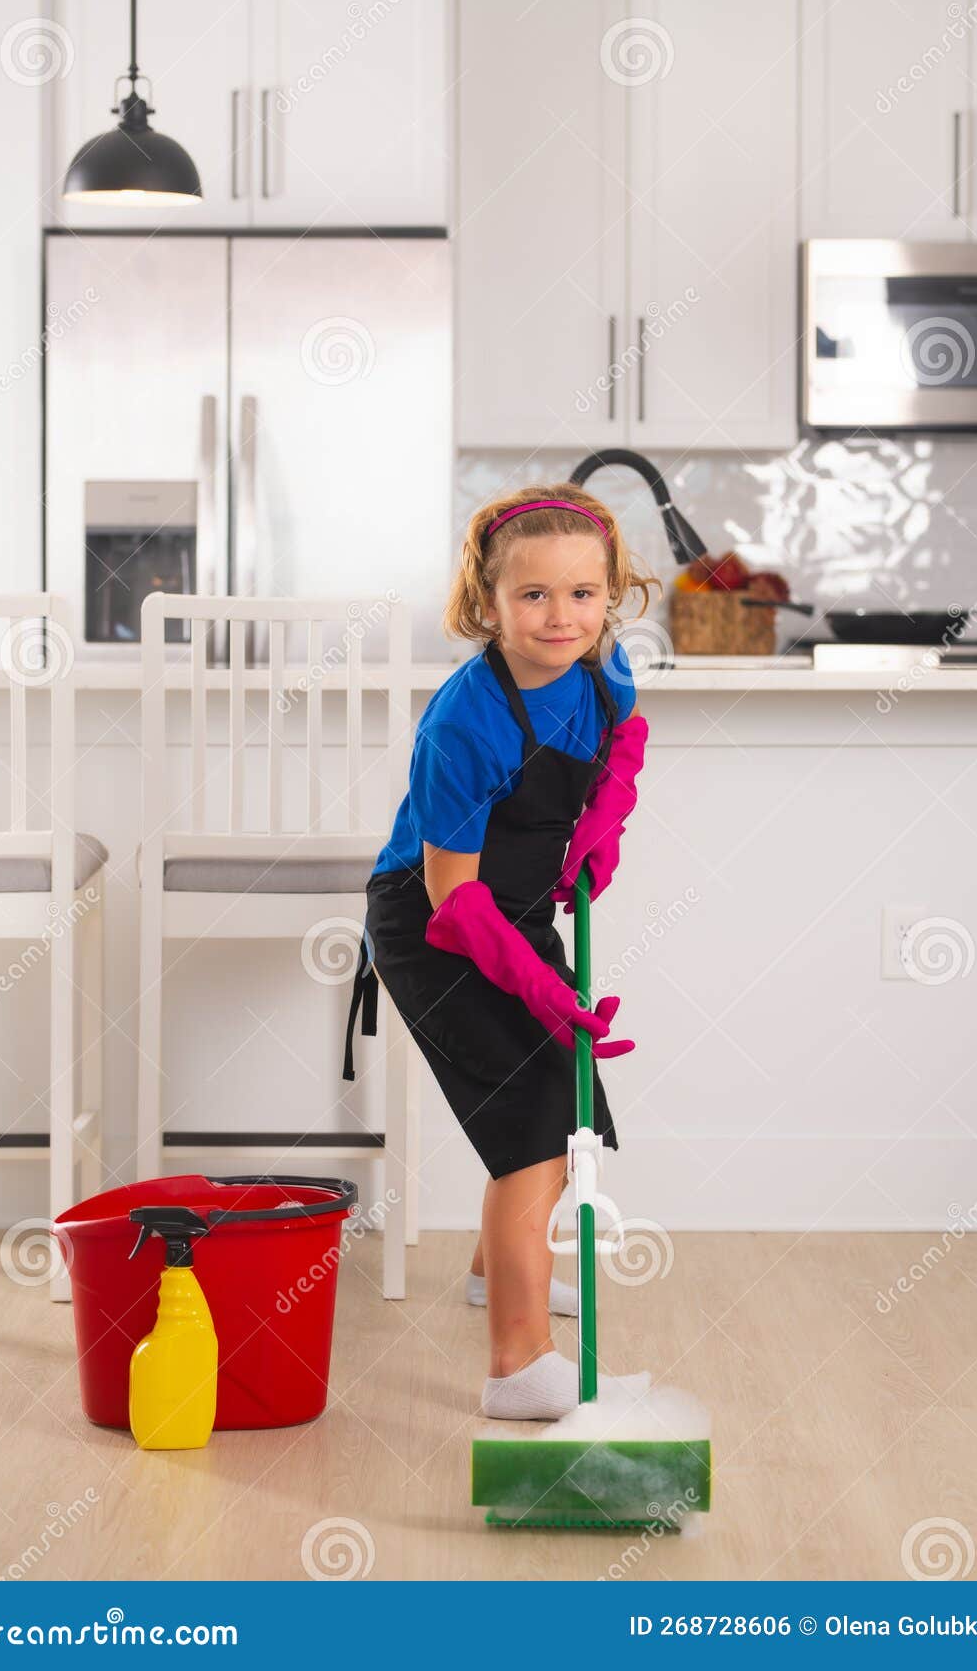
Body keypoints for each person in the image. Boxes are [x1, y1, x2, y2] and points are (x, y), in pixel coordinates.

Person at [344, 482, 662, 1419]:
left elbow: (626, 743)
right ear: (487, 604)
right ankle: (518, 1367)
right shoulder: (464, 722)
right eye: (533, 596)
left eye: (582, 593)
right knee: (531, 1123)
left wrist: (600, 826)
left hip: (512, 912)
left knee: (562, 1091)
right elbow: (450, 898)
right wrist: (541, 989)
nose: (560, 616)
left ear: (613, 596)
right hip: (433, 926)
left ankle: (495, 1270)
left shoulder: (604, 673)